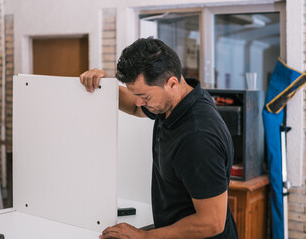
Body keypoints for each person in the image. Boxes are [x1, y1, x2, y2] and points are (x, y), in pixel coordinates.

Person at [80, 38, 238, 239]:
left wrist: (144, 237)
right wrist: (103, 87)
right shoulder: (177, 101)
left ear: (172, 83)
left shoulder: (197, 138)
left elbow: (211, 223)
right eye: (135, 94)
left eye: (144, 97)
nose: (139, 102)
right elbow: (135, 107)